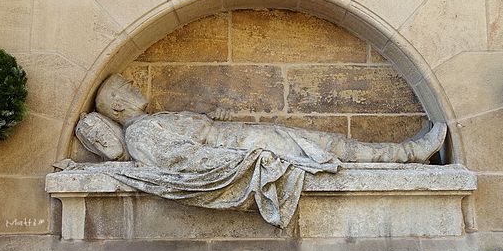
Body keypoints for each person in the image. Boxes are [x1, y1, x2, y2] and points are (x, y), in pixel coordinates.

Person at [73, 74, 447, 227]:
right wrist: (245, 161)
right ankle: (410, 155)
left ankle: (408, 155)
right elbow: (185, 161)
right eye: (125, 88)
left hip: (242, 138)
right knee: (329, 147)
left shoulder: (151, 122)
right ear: (117, 108)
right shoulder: (141, 133)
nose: (134, 86)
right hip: (243, 146)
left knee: (327, 145)